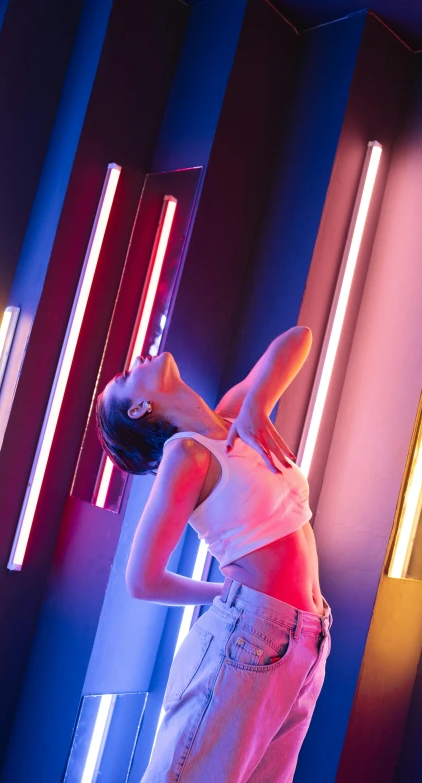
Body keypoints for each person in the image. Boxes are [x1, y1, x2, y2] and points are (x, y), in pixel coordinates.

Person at [96, 326, 332, 782]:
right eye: (127, 375)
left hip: (308, 639)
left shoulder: (232, 417)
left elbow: (298, 338)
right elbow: (140, 580)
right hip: (253, 637)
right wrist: (226, 594)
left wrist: (258, 403)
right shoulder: (186, 455)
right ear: (140, 407)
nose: (141, 356)